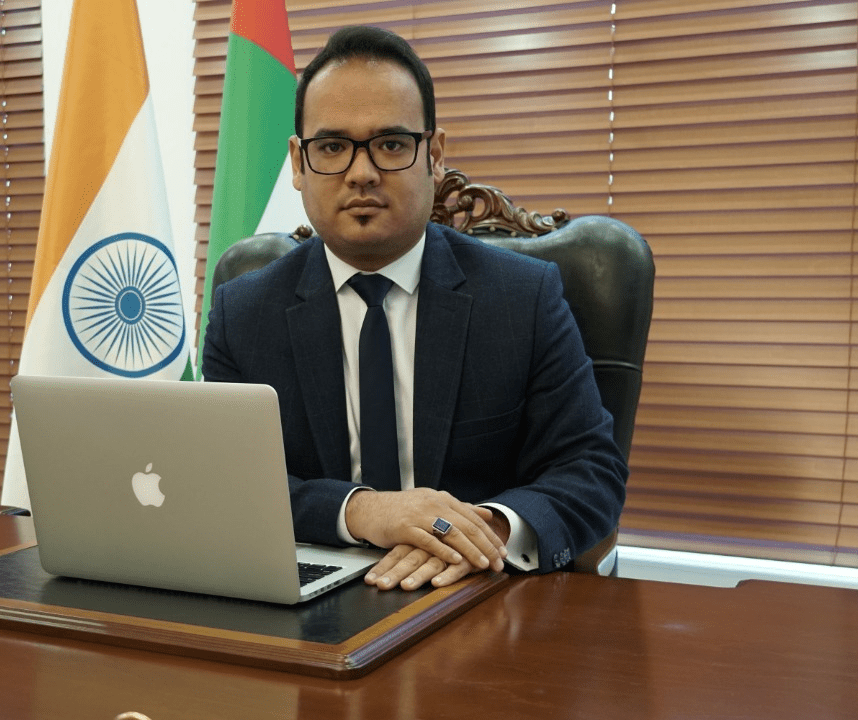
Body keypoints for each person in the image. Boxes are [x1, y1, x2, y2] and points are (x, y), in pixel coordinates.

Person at [202, 25, 627, 592]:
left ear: (435, 155)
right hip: (308, 600)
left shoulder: (523, 298)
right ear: (299, 163)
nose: (361, 172)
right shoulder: (242, 311)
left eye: (391, 144)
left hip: (476, 597)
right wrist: (360, 510)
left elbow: (591, 471)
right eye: (332, 147)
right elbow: (226, 484)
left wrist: (485, 532)